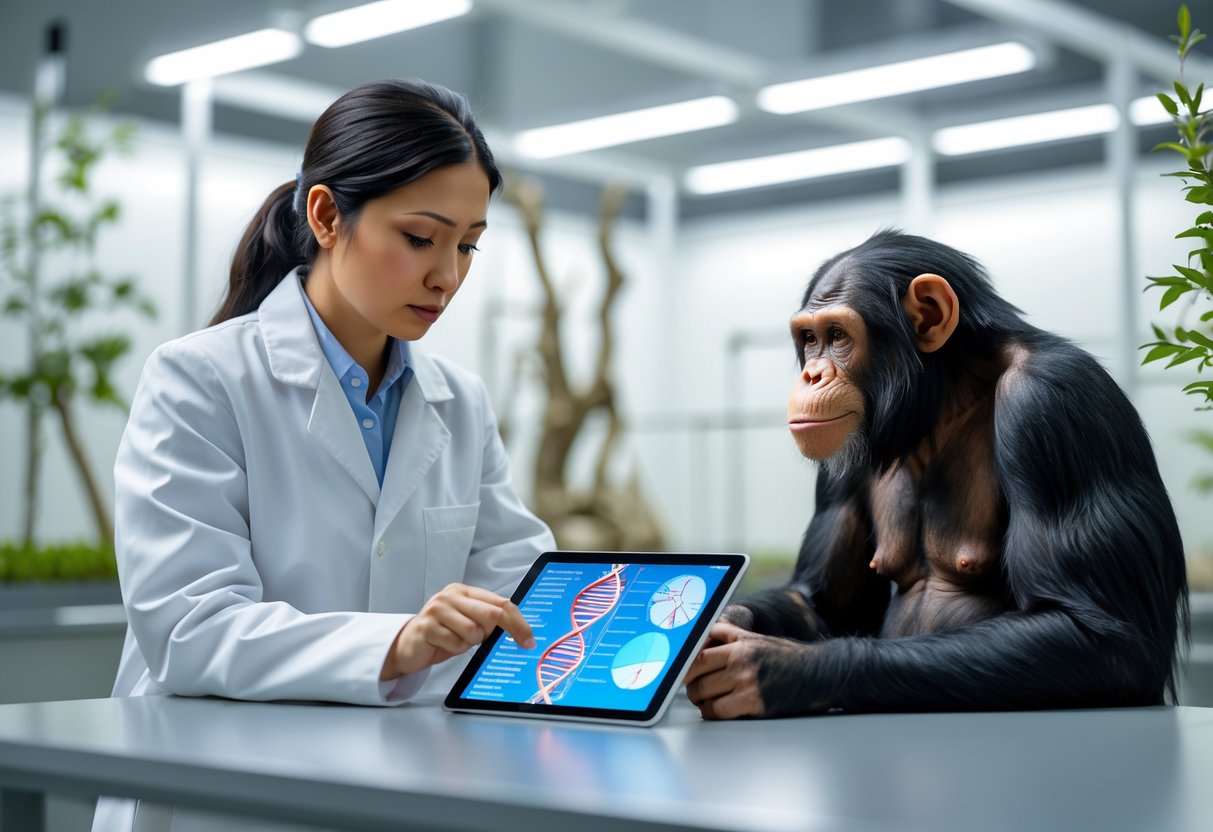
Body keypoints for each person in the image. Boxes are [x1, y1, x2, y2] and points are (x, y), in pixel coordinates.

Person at [94, 78, 553, 832]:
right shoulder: (199, 379)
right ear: (326, 215)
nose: (448, 275)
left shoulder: (458, 401)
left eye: (467, 245)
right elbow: (190, 630)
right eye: (420, 238)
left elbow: (519, 592)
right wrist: (398, 643)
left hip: (391, 784)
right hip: (222, 797)